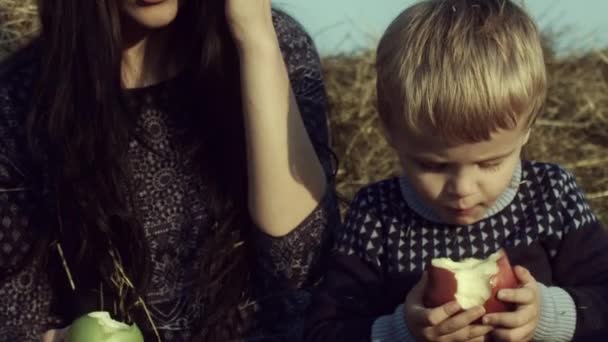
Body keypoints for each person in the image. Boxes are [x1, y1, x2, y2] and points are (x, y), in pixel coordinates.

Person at [0, 0, 338, 341]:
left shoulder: (272, 46)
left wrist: (255, 40)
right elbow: (15, 315)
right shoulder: (20, 100)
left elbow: (301, 269)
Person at [304, 0, 608, 341]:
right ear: (389, 130)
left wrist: (548, 315)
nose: (462, 188)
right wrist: (401, 330)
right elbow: (323, 330)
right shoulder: (377, 216)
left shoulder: (552, 196)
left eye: (490, 163)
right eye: (433, 165)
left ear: (527, 129)